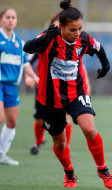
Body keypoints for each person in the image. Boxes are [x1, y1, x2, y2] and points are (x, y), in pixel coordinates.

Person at [23, 0, 112, 189]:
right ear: (62, 27)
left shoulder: (83, 38)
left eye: (80, 28)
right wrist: (45, 35)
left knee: (89, 129)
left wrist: (105, 66)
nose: (77, 33)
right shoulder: (49, 38)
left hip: (76, 92)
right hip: (50, 98)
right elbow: (27, 47)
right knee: (60, 143)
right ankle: (69, 173)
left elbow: (99, 48)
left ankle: (103, 169)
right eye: (72, 29)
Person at [25, 13, 91, 155]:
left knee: (66, 118)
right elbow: (27, 61)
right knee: (38, 118)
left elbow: (79, 66)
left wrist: (87, 84)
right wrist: (29, 76)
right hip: (45, 88)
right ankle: (38, 142)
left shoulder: (73, 45)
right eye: (54, 26)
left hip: (66, 88)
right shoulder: (45, 41)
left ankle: (67, 145)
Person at [0, 7, 39, 165]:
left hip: (11, 87)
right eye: (7, 17)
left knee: (11, 122)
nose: (10, 20)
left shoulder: (19, 43)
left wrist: (35, 77)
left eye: (13, 17)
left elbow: (24, 64)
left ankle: (1, 154)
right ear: (1, 20)